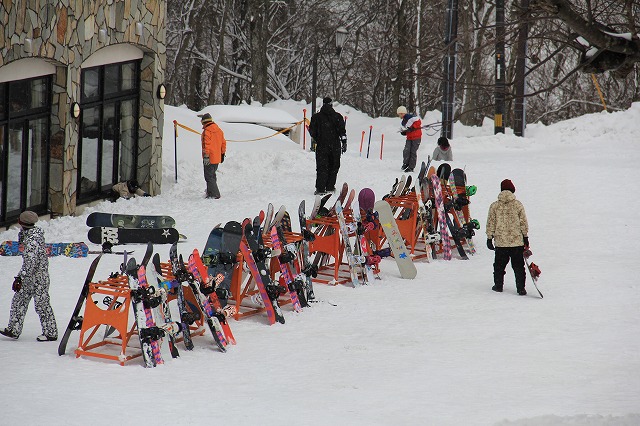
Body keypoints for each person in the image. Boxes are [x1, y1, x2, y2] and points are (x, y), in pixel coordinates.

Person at [0, 211, 58, 341]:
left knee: (41, 304)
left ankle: (51, 333)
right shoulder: (29, 234)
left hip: (38, 277)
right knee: (19, 300)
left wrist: (20, 277)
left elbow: (30, 262)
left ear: (22, 222)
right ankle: (13, 329)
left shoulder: (33, 239)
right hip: (31, 276)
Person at [485, 179, 530, 295]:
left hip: (501, 243)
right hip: (517, 243)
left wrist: (489, 238)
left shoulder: (494, 206)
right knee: (519, 267)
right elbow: (523, 222)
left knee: (499, 266)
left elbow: (491, 222)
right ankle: (521, 288)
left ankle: (498, 285)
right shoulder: (518, 205)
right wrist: (525, 237)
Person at [308, 97, 347, 195]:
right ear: (331, 104)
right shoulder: (338, 117)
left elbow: (312, 132)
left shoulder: (316, 117)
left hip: (322, 145)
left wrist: (319, 139)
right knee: (334, 166)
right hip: (335, 146)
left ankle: (320, 188)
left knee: (322, 167)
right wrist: (344, 142)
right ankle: (330, 186)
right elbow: (342, 131)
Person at [199, 112, 226, 199]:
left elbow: (207, 144)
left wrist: (206, 156)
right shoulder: (219, 130)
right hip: (217, 157)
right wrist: (222, 154)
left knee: (209, 176)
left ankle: (215, 194)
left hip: (209, 158)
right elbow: (223, 143)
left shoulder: (207, 131)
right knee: (212, 175)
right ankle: (210, 193)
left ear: (204, 122)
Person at [396, 106, 422, 172]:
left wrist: (413, 127)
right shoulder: (403, 122)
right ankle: (406, 163)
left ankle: (411, 167)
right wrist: (404, 132)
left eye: (400, 114)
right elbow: (407, 129)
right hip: (409, 138)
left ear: (402, 113)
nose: (399, 116)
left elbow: (418, 122)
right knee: (406, 150)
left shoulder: (412, 117)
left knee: (413, 152)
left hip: (416, 137)